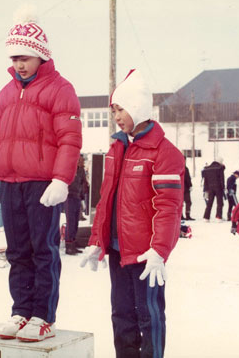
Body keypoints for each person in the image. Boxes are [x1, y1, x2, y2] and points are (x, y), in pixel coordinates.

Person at [0, 8, 82, 342]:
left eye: (25, 57)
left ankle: (43, 315)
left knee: (43, 250)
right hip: (10, 184)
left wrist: (61, 179)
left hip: (41, 185)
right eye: (14, 58)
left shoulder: (60, 89)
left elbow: (69, 139)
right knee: (17, 251)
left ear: (40, 55)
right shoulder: (6, 93)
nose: (19, 64)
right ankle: (21, 311)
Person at [80, 69, 184, 357]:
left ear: (138, 107)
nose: (116, 116)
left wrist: (159, 250)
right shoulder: (117, 147)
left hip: (145, 255)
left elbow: (169, 207)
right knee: (121, 315)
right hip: (118, 251)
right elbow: (106, 200)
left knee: (149, 316)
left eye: (120, 109)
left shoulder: (164, 152)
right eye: (113, 110)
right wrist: (96, 240)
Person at [64, 155, 88, 255]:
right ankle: (68, 246)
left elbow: (83, 183)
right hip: (69, 197)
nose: (81, 162)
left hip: (77, 197)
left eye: (82, 160)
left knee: (75, 222)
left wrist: (82, 195)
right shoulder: (70, 169)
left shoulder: (81, 171)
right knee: (70, 222)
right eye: (79, 160)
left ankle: (73, 243)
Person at [202, 156, 226, 221]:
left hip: (210, 188)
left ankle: (206, 217)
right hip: (218, 187)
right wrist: (223, 188)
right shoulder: (220, 168)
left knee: (209, 202)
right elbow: (222, 179)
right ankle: (218, 217)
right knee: (220, 203)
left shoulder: (207, 168)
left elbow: (205, 180)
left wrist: (206, 189)